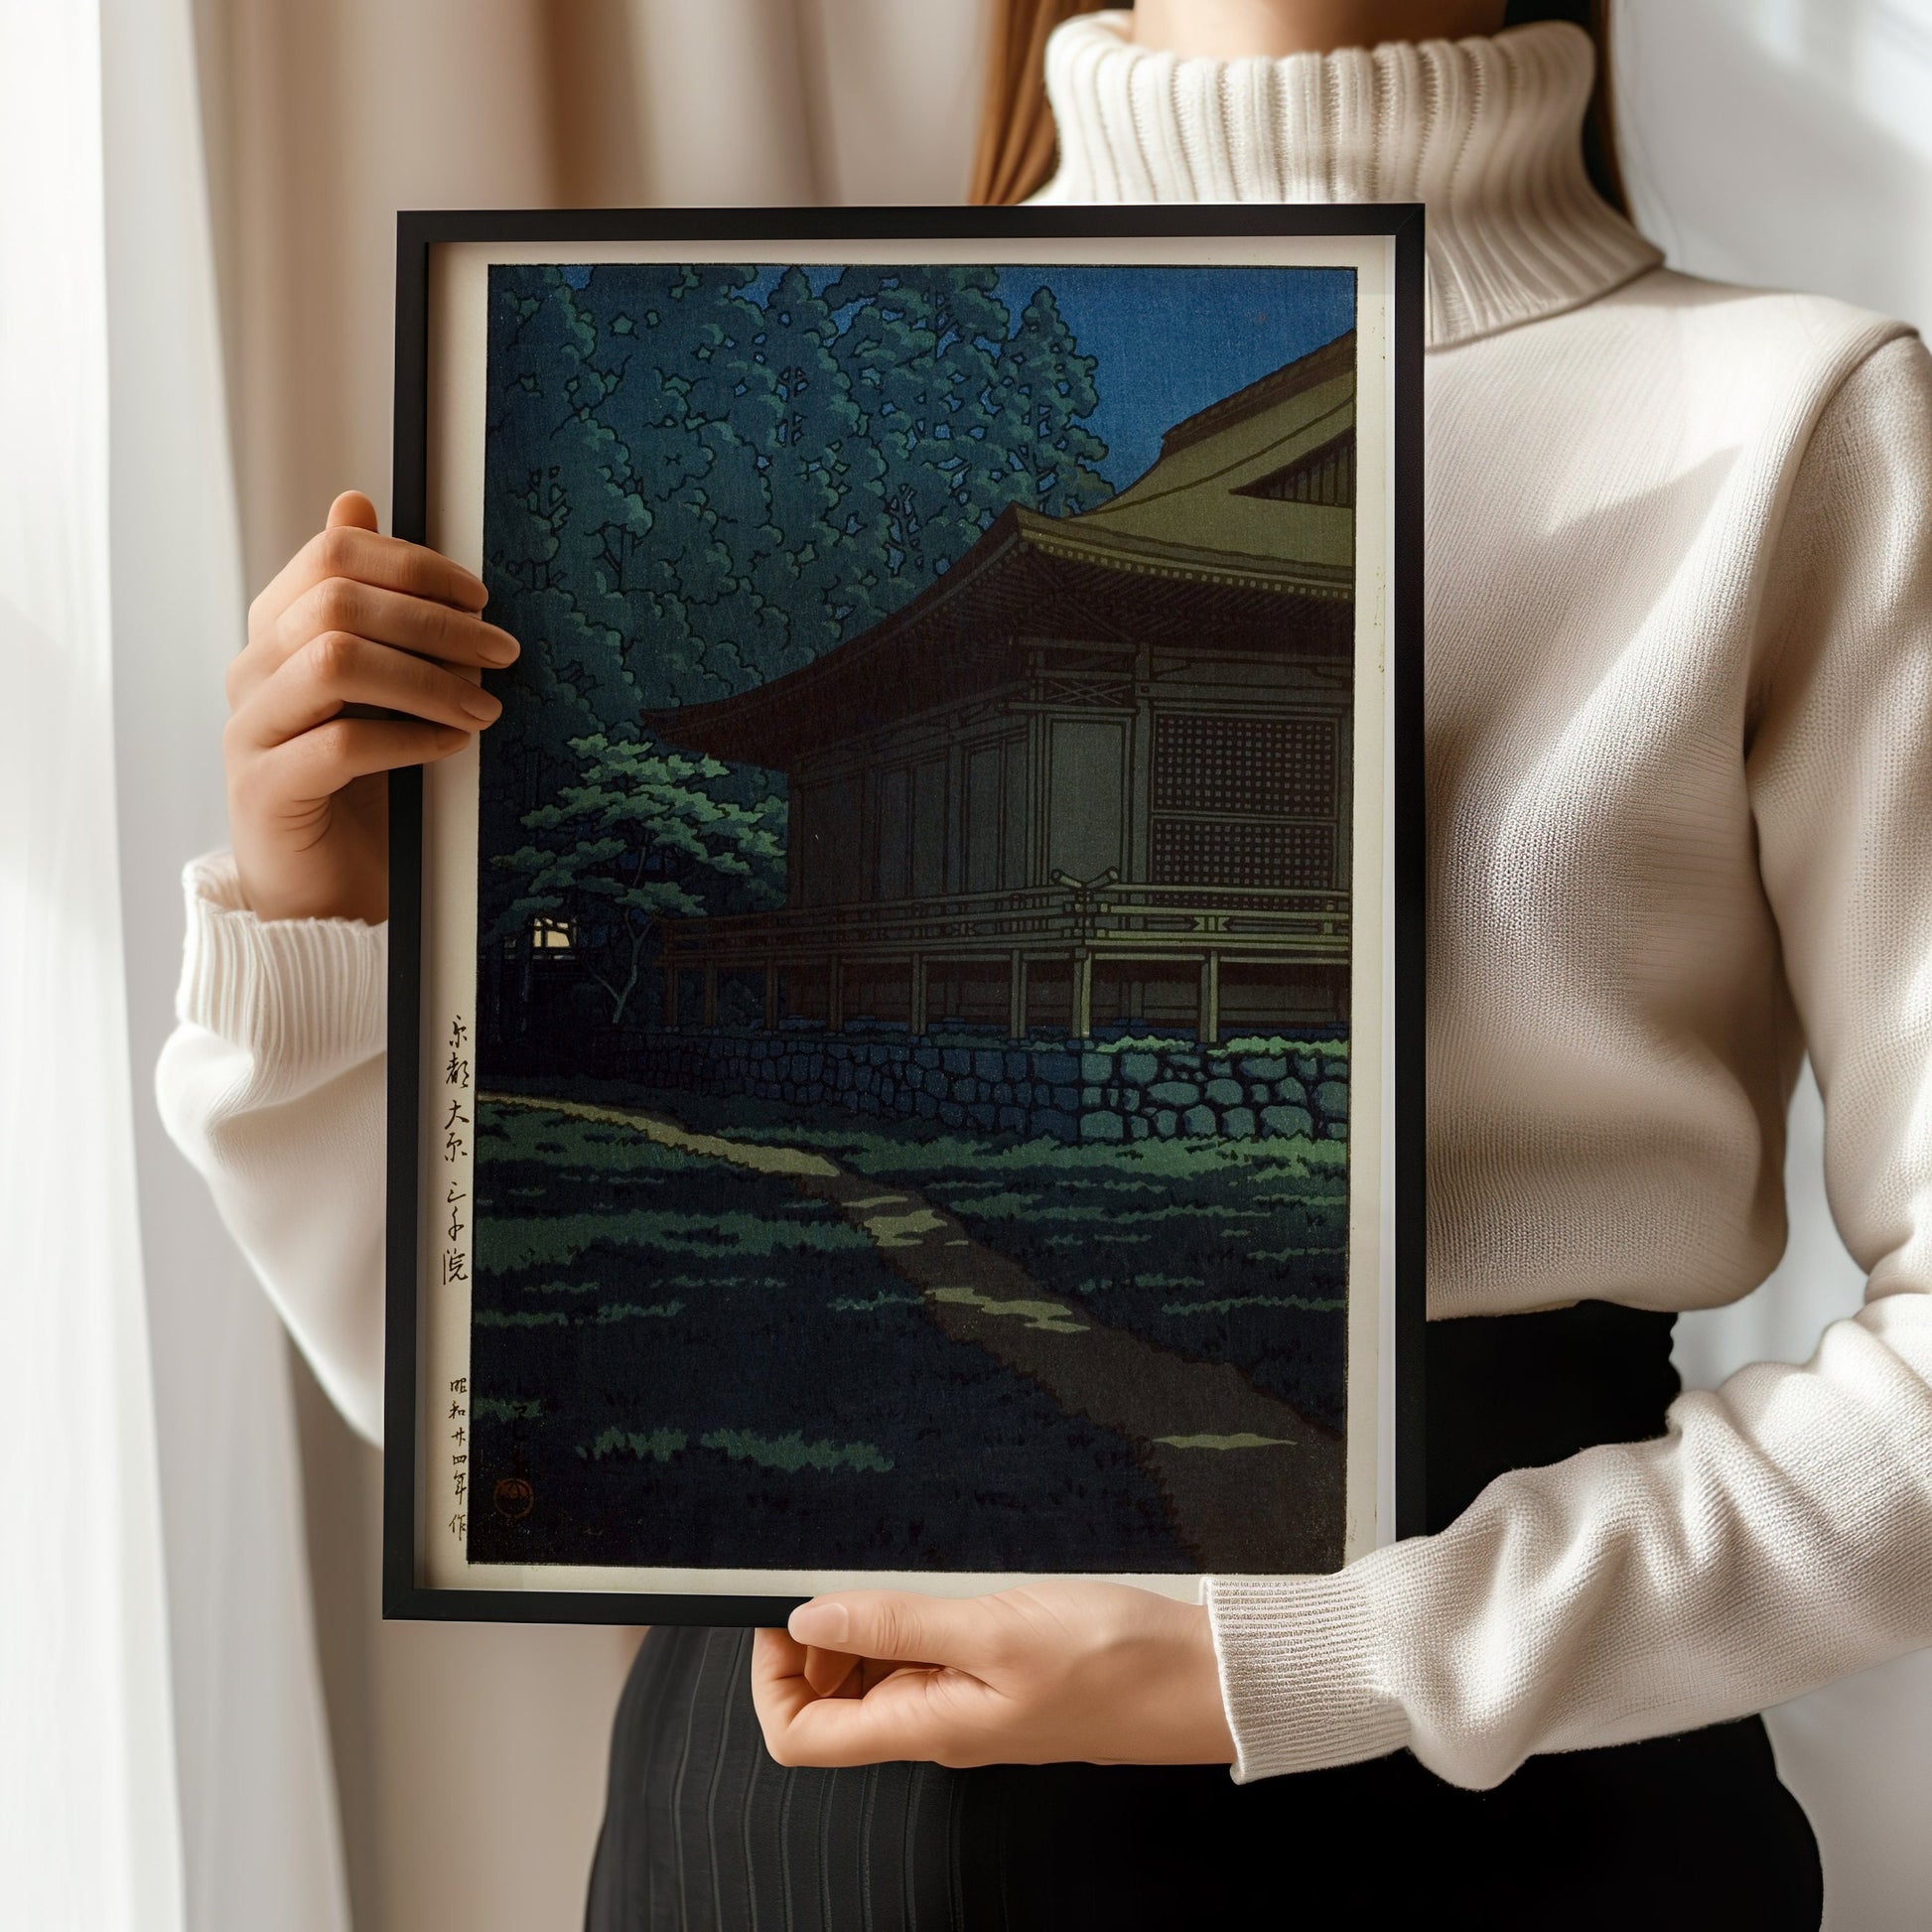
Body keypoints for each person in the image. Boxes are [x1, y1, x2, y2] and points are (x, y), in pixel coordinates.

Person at [159, 0, 1932, 1924]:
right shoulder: (801, 353)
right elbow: (490, 1406)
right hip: (786, 1801)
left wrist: (1319, 1655)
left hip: (1479, 1803)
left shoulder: (1787, 420)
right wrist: (320, 901)